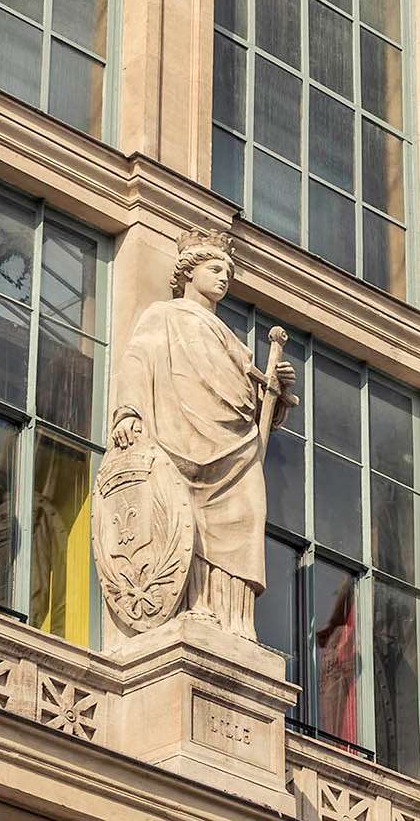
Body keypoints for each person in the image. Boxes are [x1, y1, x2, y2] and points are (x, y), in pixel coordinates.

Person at [108, 230, 296, 639]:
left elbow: (250, 400)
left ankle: (235, 620)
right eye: (215, 269)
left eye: (228, 271)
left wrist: (276, 392)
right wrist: (128, 412)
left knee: (246, 514)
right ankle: (193, 605)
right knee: (183, 517)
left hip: (236, 447)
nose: (223, 278)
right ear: (188, 273)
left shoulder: (231, 340)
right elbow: (138, 361)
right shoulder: (162, 315)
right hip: (181, 435)